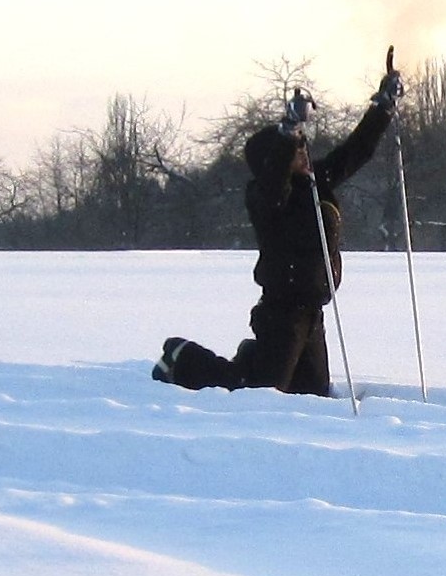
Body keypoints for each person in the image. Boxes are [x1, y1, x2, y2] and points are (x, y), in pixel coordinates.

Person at [154, 60, 404, 395]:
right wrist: (287, 131)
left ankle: (252, 356)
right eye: (294, 148)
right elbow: (274, 182)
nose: (303, 152)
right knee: (255, 392)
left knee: (311, 394)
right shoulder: (266, 197)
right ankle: (183, 359)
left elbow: (354, 151)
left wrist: (383, 107)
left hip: (312, 309)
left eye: (302, 145)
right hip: (282, 311)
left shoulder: (316, 183)